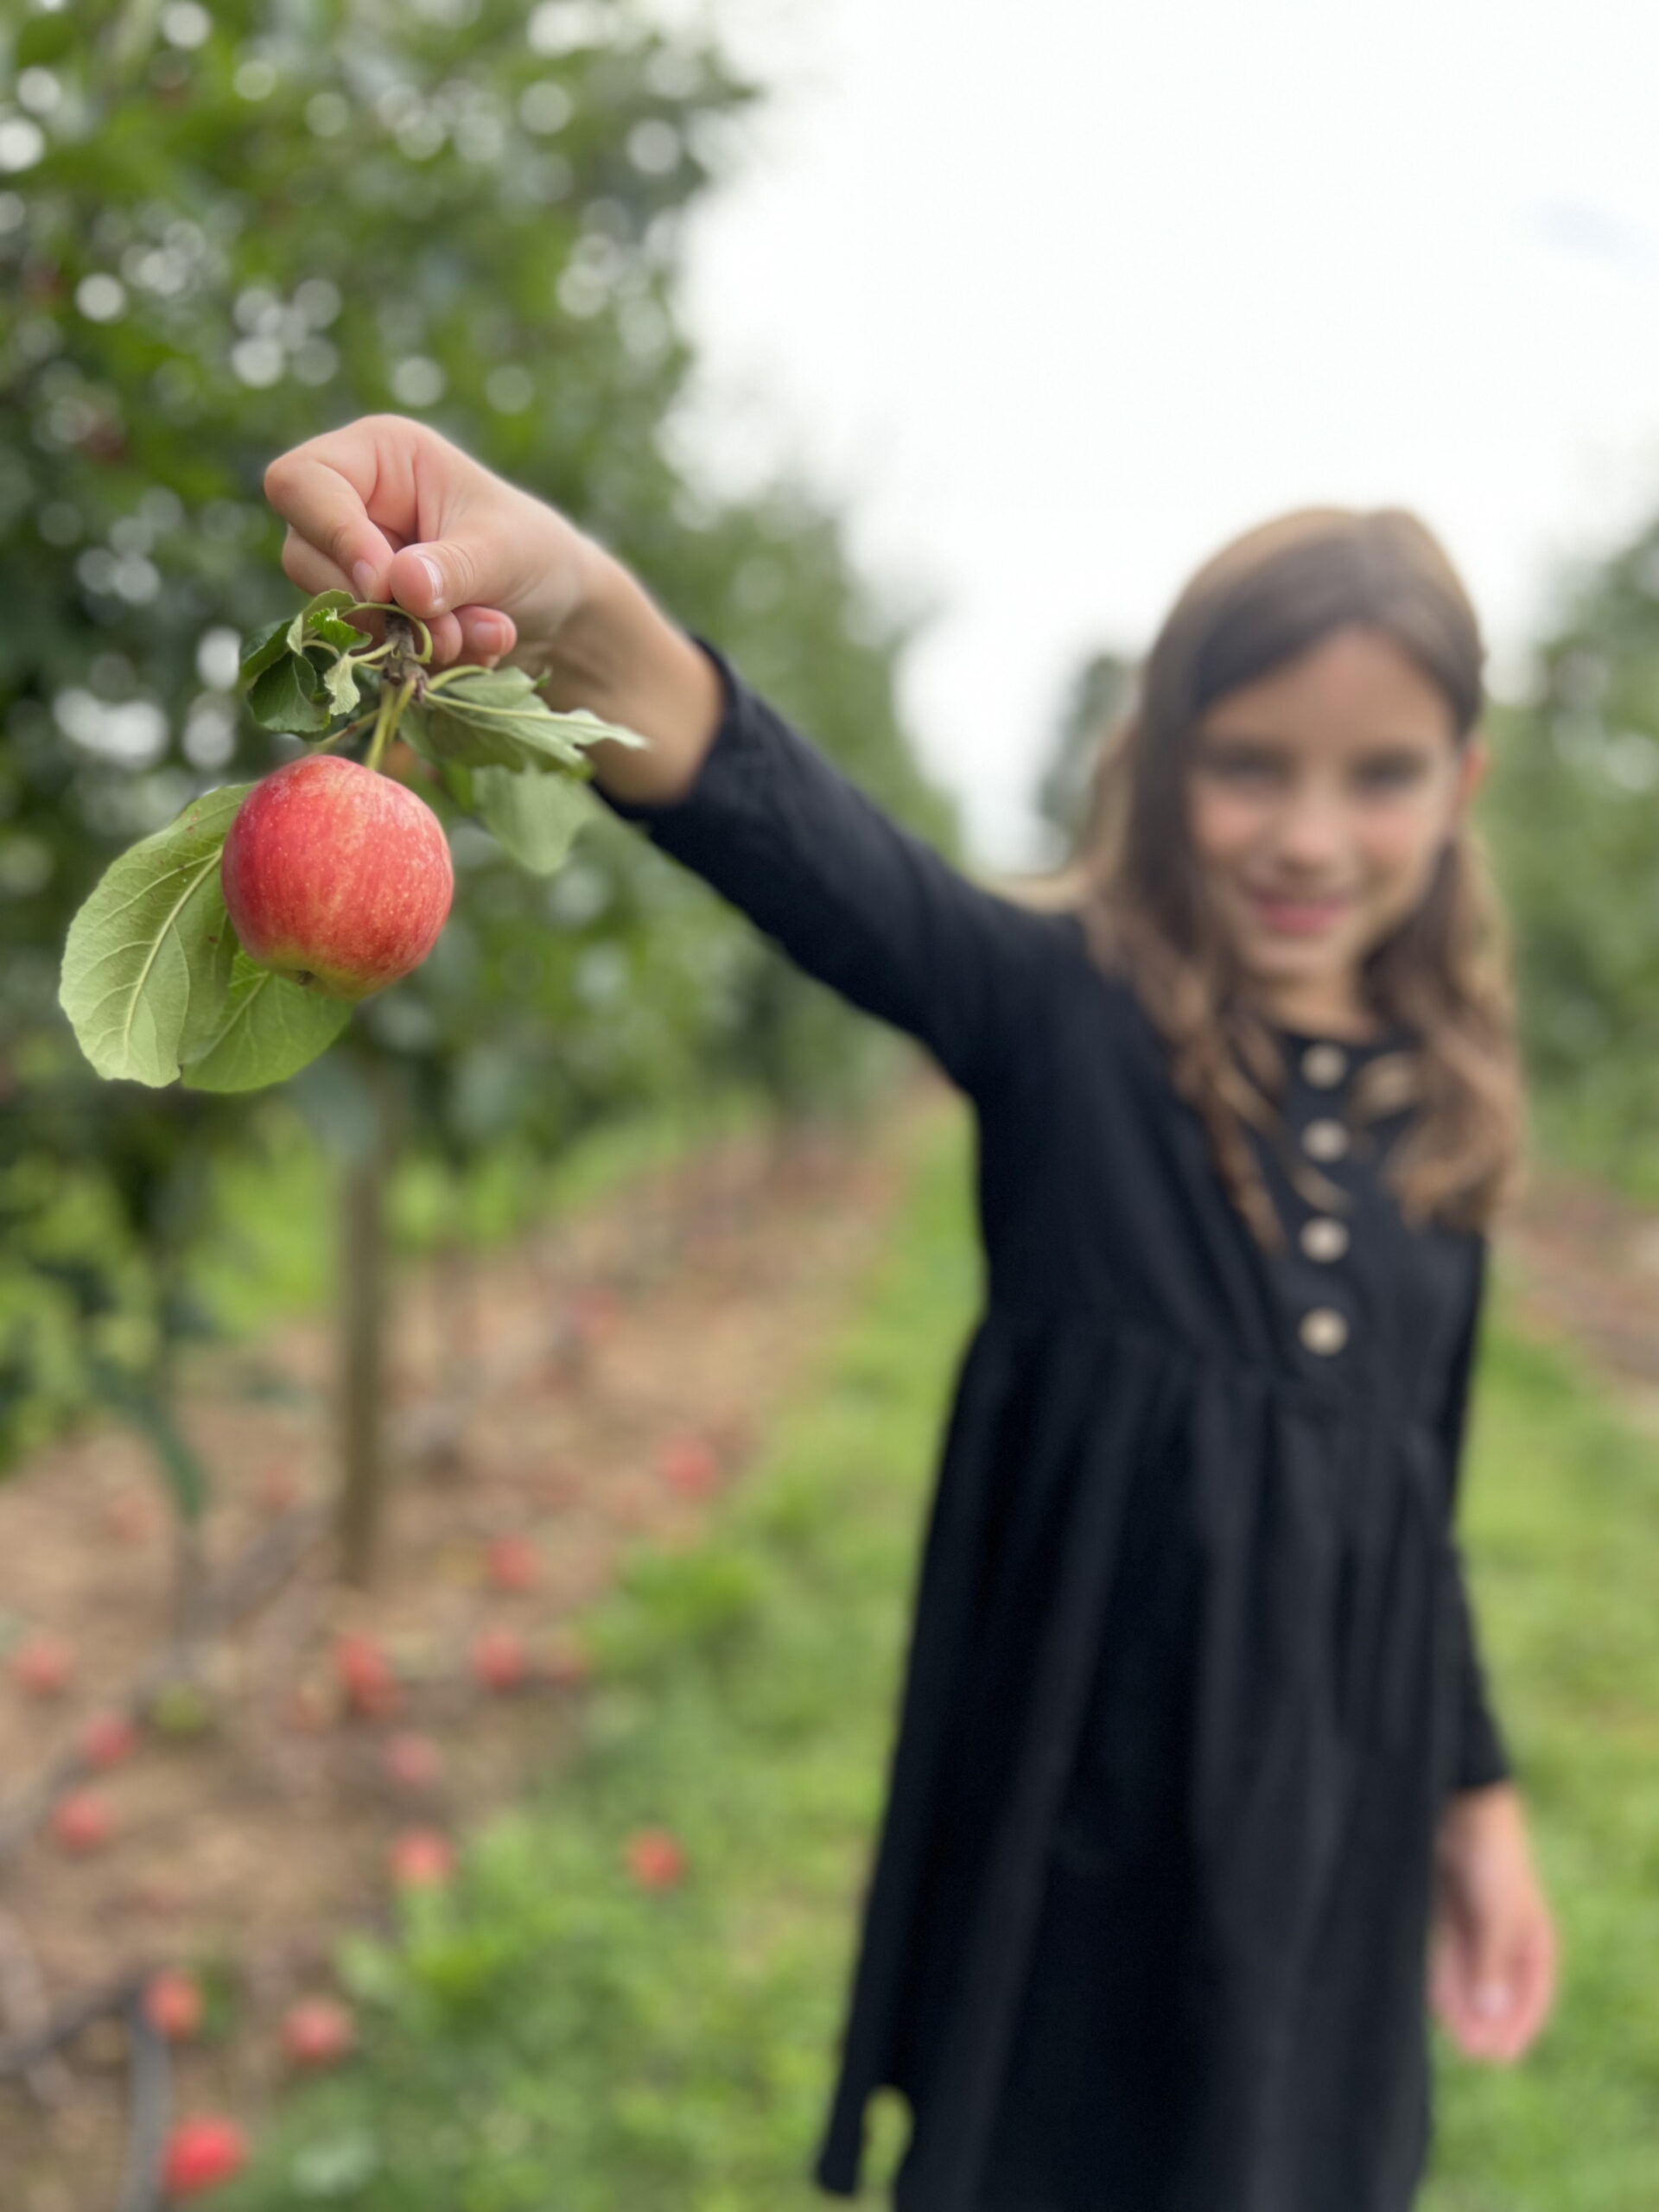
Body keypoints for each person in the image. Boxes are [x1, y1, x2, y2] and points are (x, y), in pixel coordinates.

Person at [262, 416, 1559, 2212]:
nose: (1311, 834)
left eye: (1381, 775)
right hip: (1080, 1809)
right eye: (1252, 765)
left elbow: (1418, 1490)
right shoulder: (1061, 1016)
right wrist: (581, 605)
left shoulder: (1445, 1114)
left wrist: (1472, 1799)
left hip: (1338, 1811)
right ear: (1158, 762)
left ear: (1461, 783)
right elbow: (797, 835)